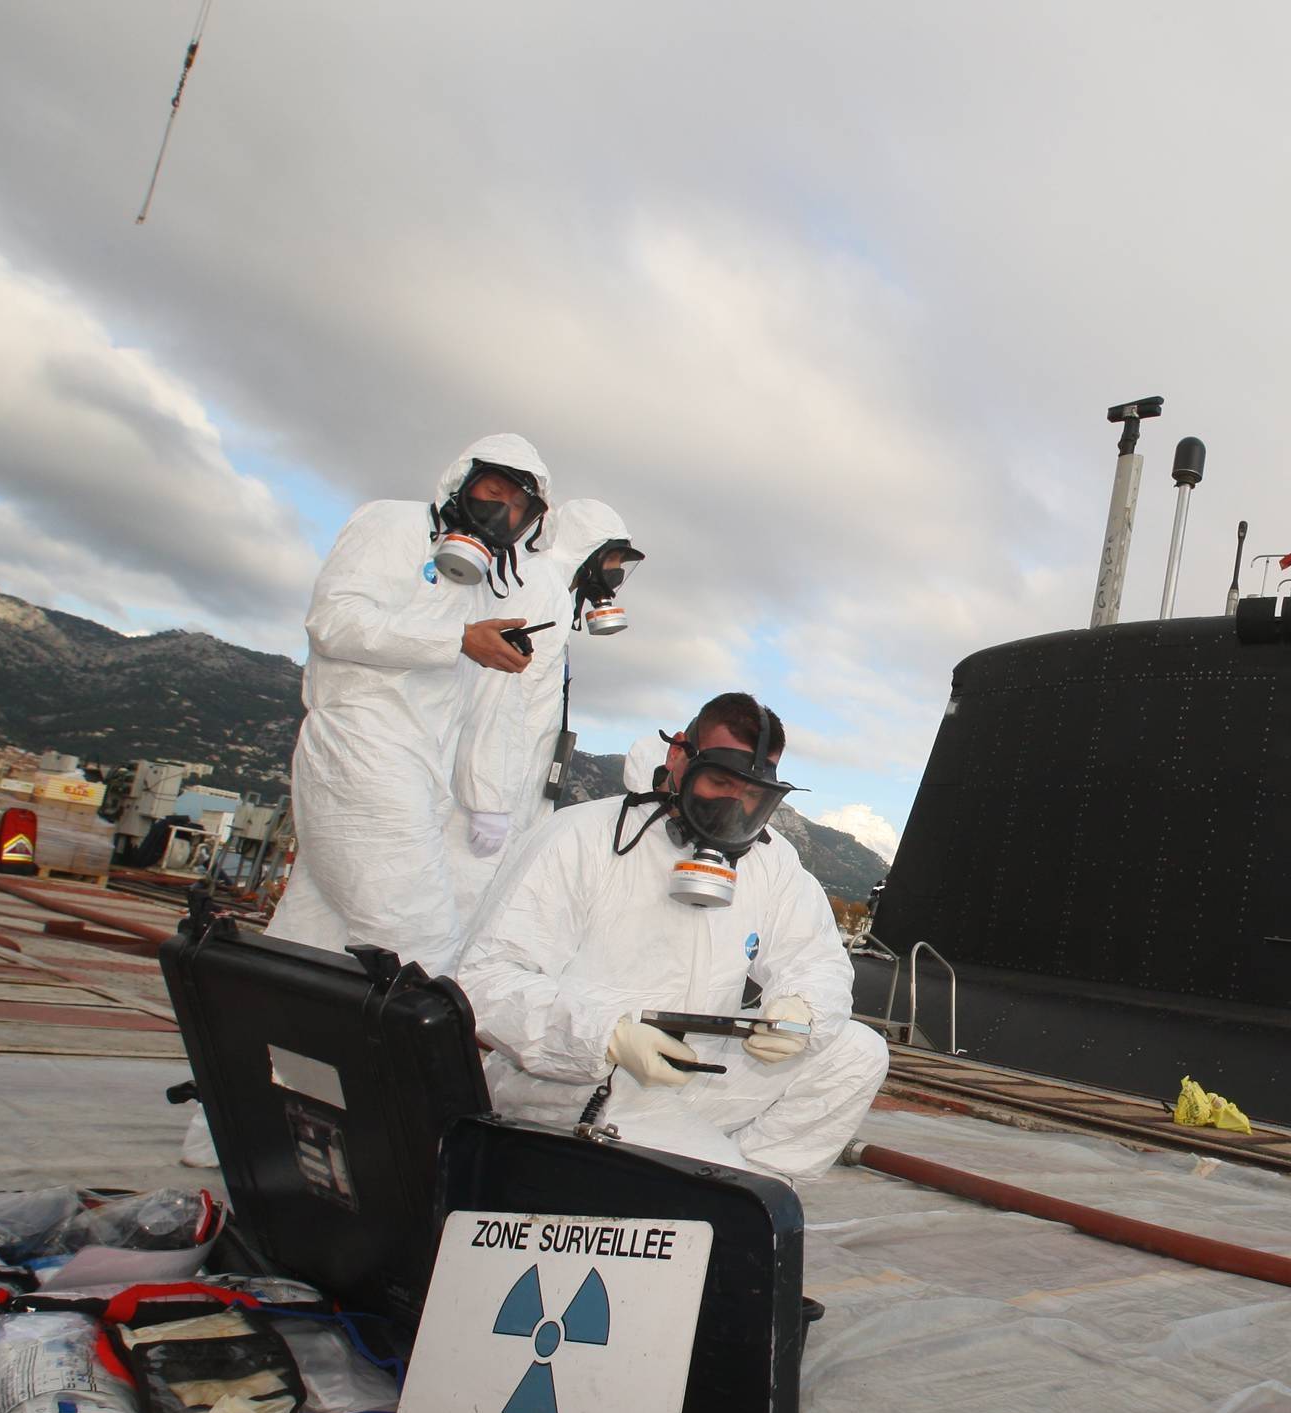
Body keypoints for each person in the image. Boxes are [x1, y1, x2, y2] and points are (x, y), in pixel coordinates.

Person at [455, 695, 888, 1186]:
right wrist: (606, 1036)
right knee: (709, 1184)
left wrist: (803, 1010)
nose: (735, 805)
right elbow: (485, 979)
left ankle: (760, 1186)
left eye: (753, 795)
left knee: (856, 1051)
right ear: (679, 757)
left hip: (692, 1071)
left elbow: (817, 962)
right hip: (576, 1080)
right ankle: (718, 1185)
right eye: (720, 782)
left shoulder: (772, 861)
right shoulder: (581, 836)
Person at [265, 435, 550, 974]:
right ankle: (416, 1059)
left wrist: (488, 655)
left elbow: (465, 698)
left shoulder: (484, 586)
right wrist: (456, 641)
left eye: (519, 509)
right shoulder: (391, 524)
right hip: (363, 746)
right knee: (418, 942)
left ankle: (271, 1055)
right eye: (494, 492)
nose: (502, 512)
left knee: (312, 940)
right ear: (462, 481)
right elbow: (333, 622)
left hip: (422, 772)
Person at [441, 499, 644, 924]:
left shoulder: (554, 592)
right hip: (483, 803)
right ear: (587, 547)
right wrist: (488, 800)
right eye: (611, 558)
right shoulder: (540, 588)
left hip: (512, 794)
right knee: (457, 913)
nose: (615, 573)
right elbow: (498, 694)